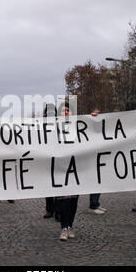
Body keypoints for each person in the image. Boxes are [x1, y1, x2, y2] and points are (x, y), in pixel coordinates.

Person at [56, 102, 79, 241]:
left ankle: (70, 226)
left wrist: (94, 117)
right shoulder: (53, 128)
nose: (65, 113)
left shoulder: (79, 127)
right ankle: (64, 228)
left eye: (68, 110)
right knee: (63, 200)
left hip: (76, 168)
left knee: (74, 200)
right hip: (60, 168)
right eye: (63, 111)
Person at [42, 104, 60, 221]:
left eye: (53, 111)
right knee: (48, 186)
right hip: (46, 160)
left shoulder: (61, 124)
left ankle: (59, 212)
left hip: (59, 159)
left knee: (58, 187)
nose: (50, 113)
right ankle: (50, 210)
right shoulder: (40, 125)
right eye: (49, 111)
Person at [89, 109, 107, 215]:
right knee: (95, 181)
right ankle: (93, 205)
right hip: (92, 159)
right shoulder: (91, 128)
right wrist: (92, 118)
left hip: (100, 158)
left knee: (99, 181)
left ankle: (96, 203)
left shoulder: (99, 130)